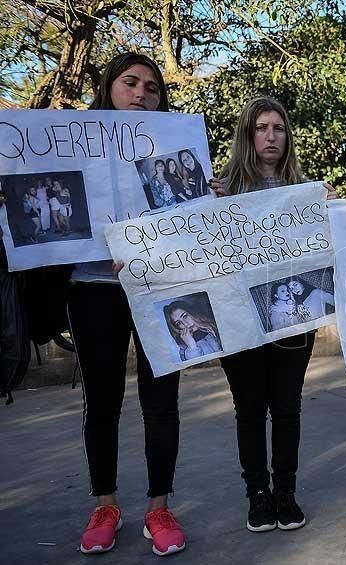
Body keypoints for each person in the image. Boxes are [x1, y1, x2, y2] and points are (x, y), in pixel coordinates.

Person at [69, 52, 186, 557]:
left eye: (152, 88)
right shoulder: (71, 145)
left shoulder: (175, 150)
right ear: (108, 88)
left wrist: (209, 194)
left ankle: (159, 508)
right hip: (93, 287)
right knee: (102, 400)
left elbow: (189, 222)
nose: (141, 93)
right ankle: (106, 505)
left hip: (158, 285)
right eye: (130, 82)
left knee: (161, 401)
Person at [212, 96, 332, 534]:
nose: (270, 136)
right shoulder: (220, 190)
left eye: (278, 128)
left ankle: (285, 492)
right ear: (248, 135)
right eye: (261, 128)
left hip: (291, 314)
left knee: (286, 408)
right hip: (238, 317)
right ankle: (257, 495)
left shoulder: (305, 191)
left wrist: (334, 207)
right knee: (248, 409)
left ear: (287, 136)